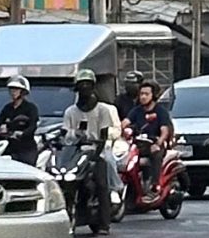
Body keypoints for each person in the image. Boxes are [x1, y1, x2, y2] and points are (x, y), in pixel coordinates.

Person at [64, 72, 126, 214]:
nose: (84, 88)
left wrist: (97, 154)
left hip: (98, 149)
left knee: (106, 168)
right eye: (81, 85)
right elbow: (65, 134)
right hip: (77, 150)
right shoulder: (70, 112)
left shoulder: (104, 110)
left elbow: (105, 134)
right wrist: (75, 134)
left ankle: (114, 190)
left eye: (88, 85)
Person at [124, 78, 176, 200]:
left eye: (146, 94)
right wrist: (119, 129)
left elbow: (165, 131)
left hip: (154, 143)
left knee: (156, 154)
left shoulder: (160, 111)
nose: (143, 97)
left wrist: (158, 143)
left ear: (153, 95)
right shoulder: (136, 111)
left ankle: (155, 185)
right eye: (141, 94)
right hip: (139, 144)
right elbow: (125, 122)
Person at [0, 76, 43, 167]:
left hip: (26, 148)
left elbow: (32, 126)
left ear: (23, 92)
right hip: (9, 145)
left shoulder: (31, 108)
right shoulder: (7, 108)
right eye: (11, 90)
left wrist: (22, 133)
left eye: (16, 90)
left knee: (27, 167)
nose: (13, 92)